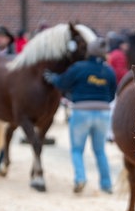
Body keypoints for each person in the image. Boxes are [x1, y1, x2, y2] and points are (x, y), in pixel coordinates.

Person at [43, 38, 117, 194]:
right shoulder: (108, 71)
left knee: (77, 150)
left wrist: (52, 77)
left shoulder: (78, 68)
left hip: (81, 111)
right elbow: (111, 95)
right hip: (103, 113)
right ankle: (106, 184)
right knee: (100, 150)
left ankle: (80, 179)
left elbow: (63, 83)